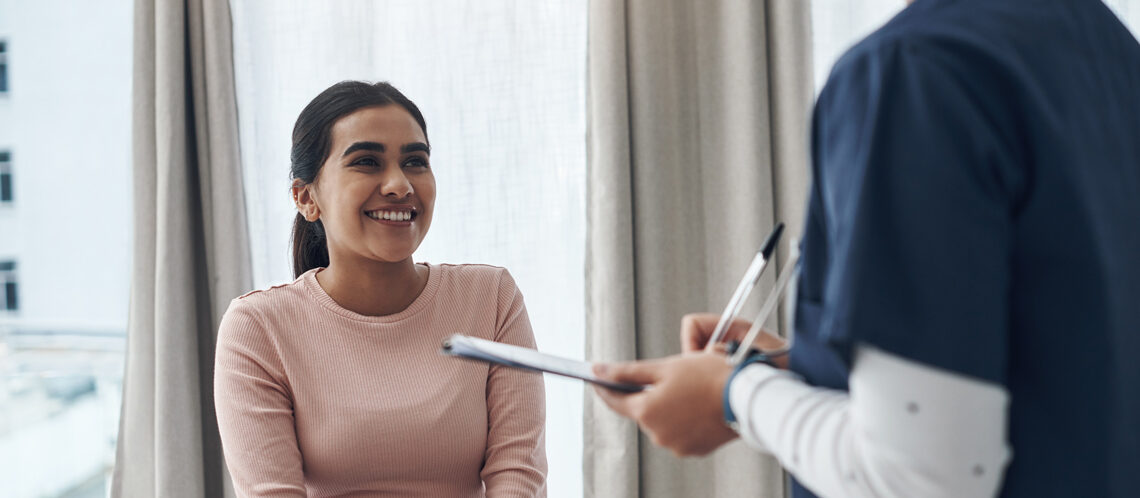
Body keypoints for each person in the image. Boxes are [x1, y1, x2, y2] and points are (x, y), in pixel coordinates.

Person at [593, 0, 1140, 496]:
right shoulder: (1109, 50)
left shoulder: (912, 73)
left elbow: (920, 480)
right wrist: (810, 366)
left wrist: (737, 395)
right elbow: (1061, 361)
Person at [214, 81, 547, 497]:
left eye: (415, 161)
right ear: (306, 197)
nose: (399, 184)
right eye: (367, 162)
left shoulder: (492, 298)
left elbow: (518, 476)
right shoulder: (258, 327)